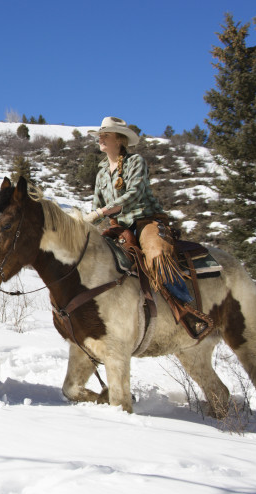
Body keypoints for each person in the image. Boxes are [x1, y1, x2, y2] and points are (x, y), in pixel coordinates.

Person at [84, 117, 206, 334]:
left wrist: (100, 212)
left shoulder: (136, 162)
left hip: (145, 220)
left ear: (119, 140)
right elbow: (96, 205)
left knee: (157, 255)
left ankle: (187, 309)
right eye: (100, 135)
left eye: (106, 134)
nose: (100, 138)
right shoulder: (102, 172)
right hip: (118, 226)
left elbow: (133, 195)